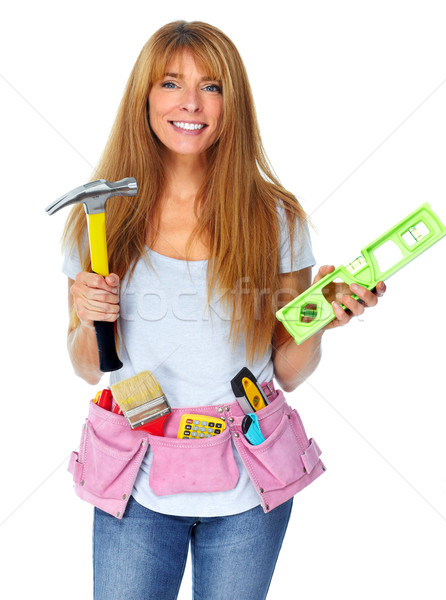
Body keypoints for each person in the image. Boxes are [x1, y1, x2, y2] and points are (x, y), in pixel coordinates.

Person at [61, 20, 386, 600]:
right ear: (145, 97)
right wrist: (89, 314)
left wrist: (321, 323)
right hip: (135, 480)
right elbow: (88, 366)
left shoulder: (275, 219)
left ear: (231, 103)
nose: (190, 103)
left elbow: (285, 371)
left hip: (246, 486)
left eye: (211, 86)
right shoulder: (102, 220)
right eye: (170, 83)